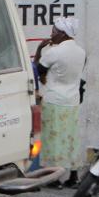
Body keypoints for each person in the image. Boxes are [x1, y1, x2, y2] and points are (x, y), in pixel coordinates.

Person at [35, 17, 86, 186]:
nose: (52, 34)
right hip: (72, 101)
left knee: (53, 138)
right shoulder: (81, 52)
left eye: (54, 31)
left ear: (63, 34)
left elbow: (37, 70)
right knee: (71, 138)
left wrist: (39, 48)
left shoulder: (54, 52)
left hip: (54, 100)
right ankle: (73, 177)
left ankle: (53, 179)